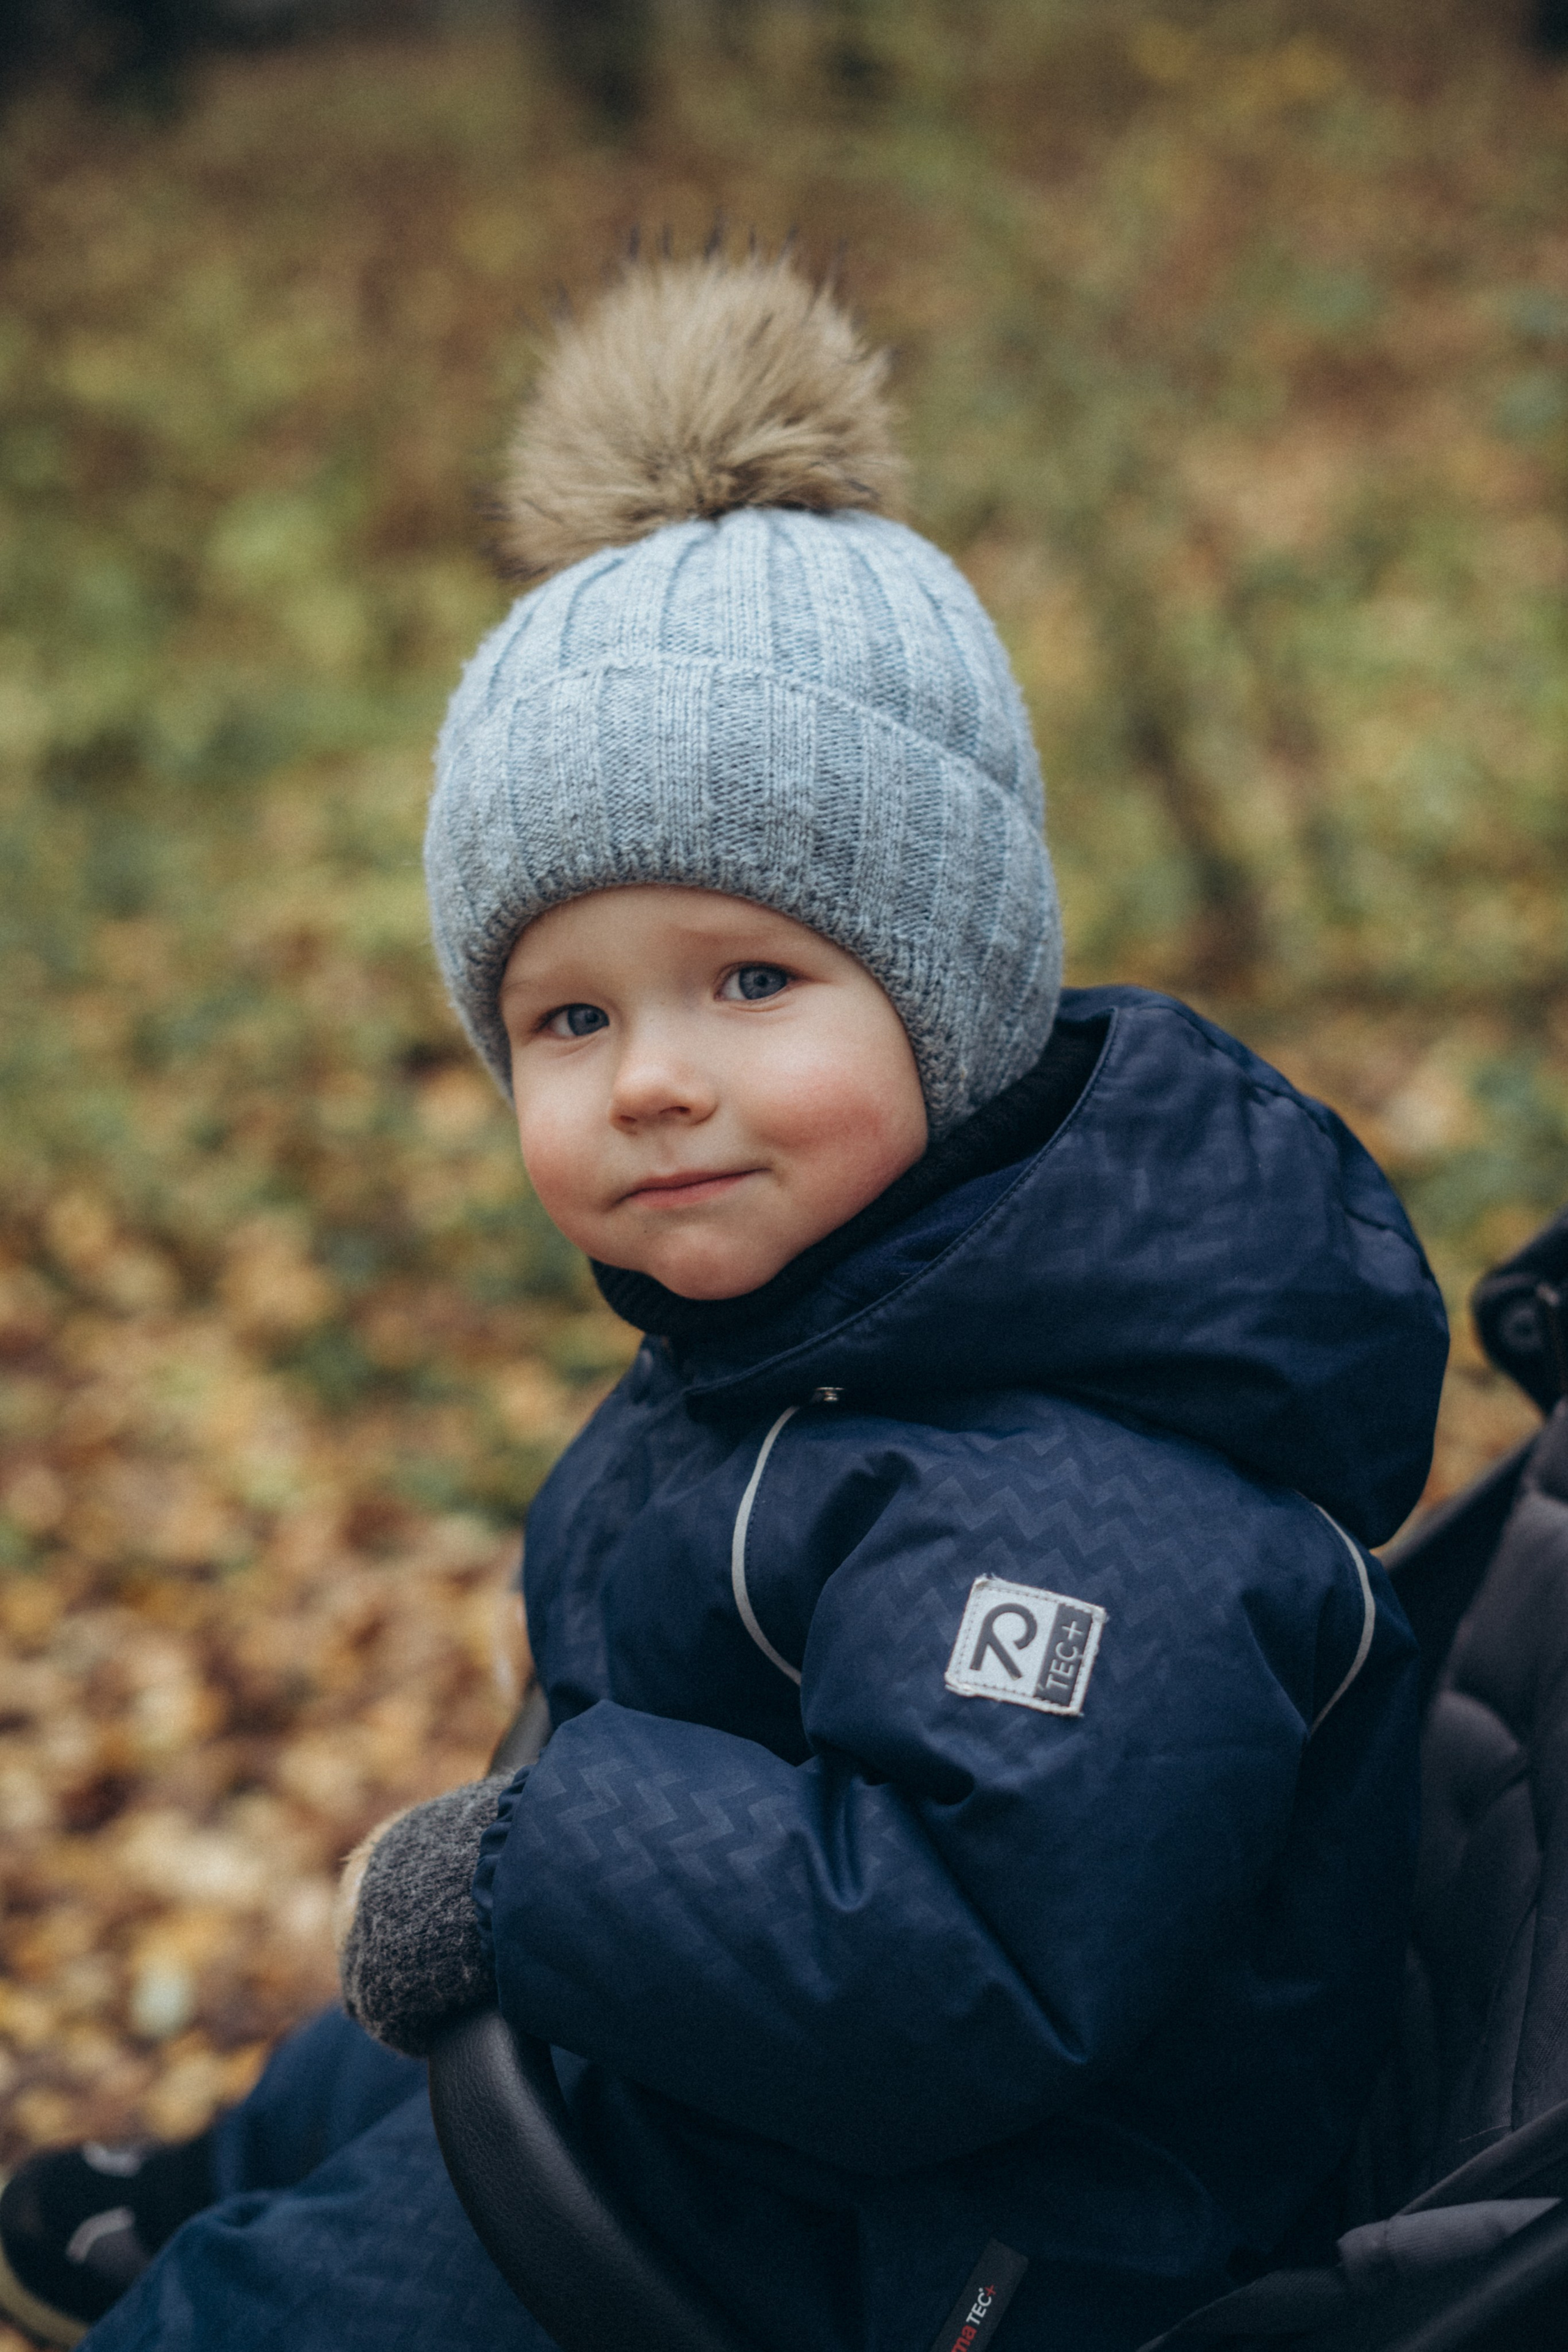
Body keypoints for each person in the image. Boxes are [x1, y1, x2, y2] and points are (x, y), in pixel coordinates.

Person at [0, 247, 1447, 2352]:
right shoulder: (820, 1321)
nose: (652, 1079)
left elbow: (958, 1973)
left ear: (950, 996)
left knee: (347, 2214)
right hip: (739, 2095)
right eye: (569, 1019)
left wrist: (530, 1865)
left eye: (752, 980)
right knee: (387, 2055)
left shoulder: (1095, 1488)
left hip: (953, 2230)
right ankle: (218, 2191)